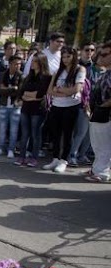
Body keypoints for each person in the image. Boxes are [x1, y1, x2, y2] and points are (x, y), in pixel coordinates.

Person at [42, 46, 86, 173]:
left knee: (67, 134)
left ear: (74, 56)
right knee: (56, 133)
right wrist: (65, 92)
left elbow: (76, 89)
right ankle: (55, 158)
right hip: (57, 105)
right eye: (63, 57)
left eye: (68, 56)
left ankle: (64, 160)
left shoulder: (79, 70)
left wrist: (60, 90)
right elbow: (50, 91)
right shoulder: (57, 71)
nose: (65, 59)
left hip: (71, 106)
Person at [15, 52, 52, 167]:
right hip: (26, 109)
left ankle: (33, 157)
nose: (32, 64)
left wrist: (29, 96)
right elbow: (22, 94)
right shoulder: (28, 77)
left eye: (36, 61)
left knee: (36, 135)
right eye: (32, 61)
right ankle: (22, 156)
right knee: (24, 134)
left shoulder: (46, 77)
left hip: (38, 110)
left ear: (41, 63)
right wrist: (28, 96)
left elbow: (39, 94)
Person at [86, 41, 111, 183]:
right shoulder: (106, 72)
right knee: (99, 144)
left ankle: (102, 172)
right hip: (99, 113)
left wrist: (102, 106)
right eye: (100, 54)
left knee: (103, 145)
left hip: (105, 114)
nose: (101, 57)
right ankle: (98, 169)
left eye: (105, 54)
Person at [0, 56, 23, 158]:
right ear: (10, 64)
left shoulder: (22, 76)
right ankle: (1, 148)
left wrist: (9, 89)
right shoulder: (3, 75)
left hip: (15, 106)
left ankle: (11, 149)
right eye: (15, 64)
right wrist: (12, 88)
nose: (18, 66)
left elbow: (20, 91)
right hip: (4, 104)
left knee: (13, 130)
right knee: (2, 128)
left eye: (19, 64)